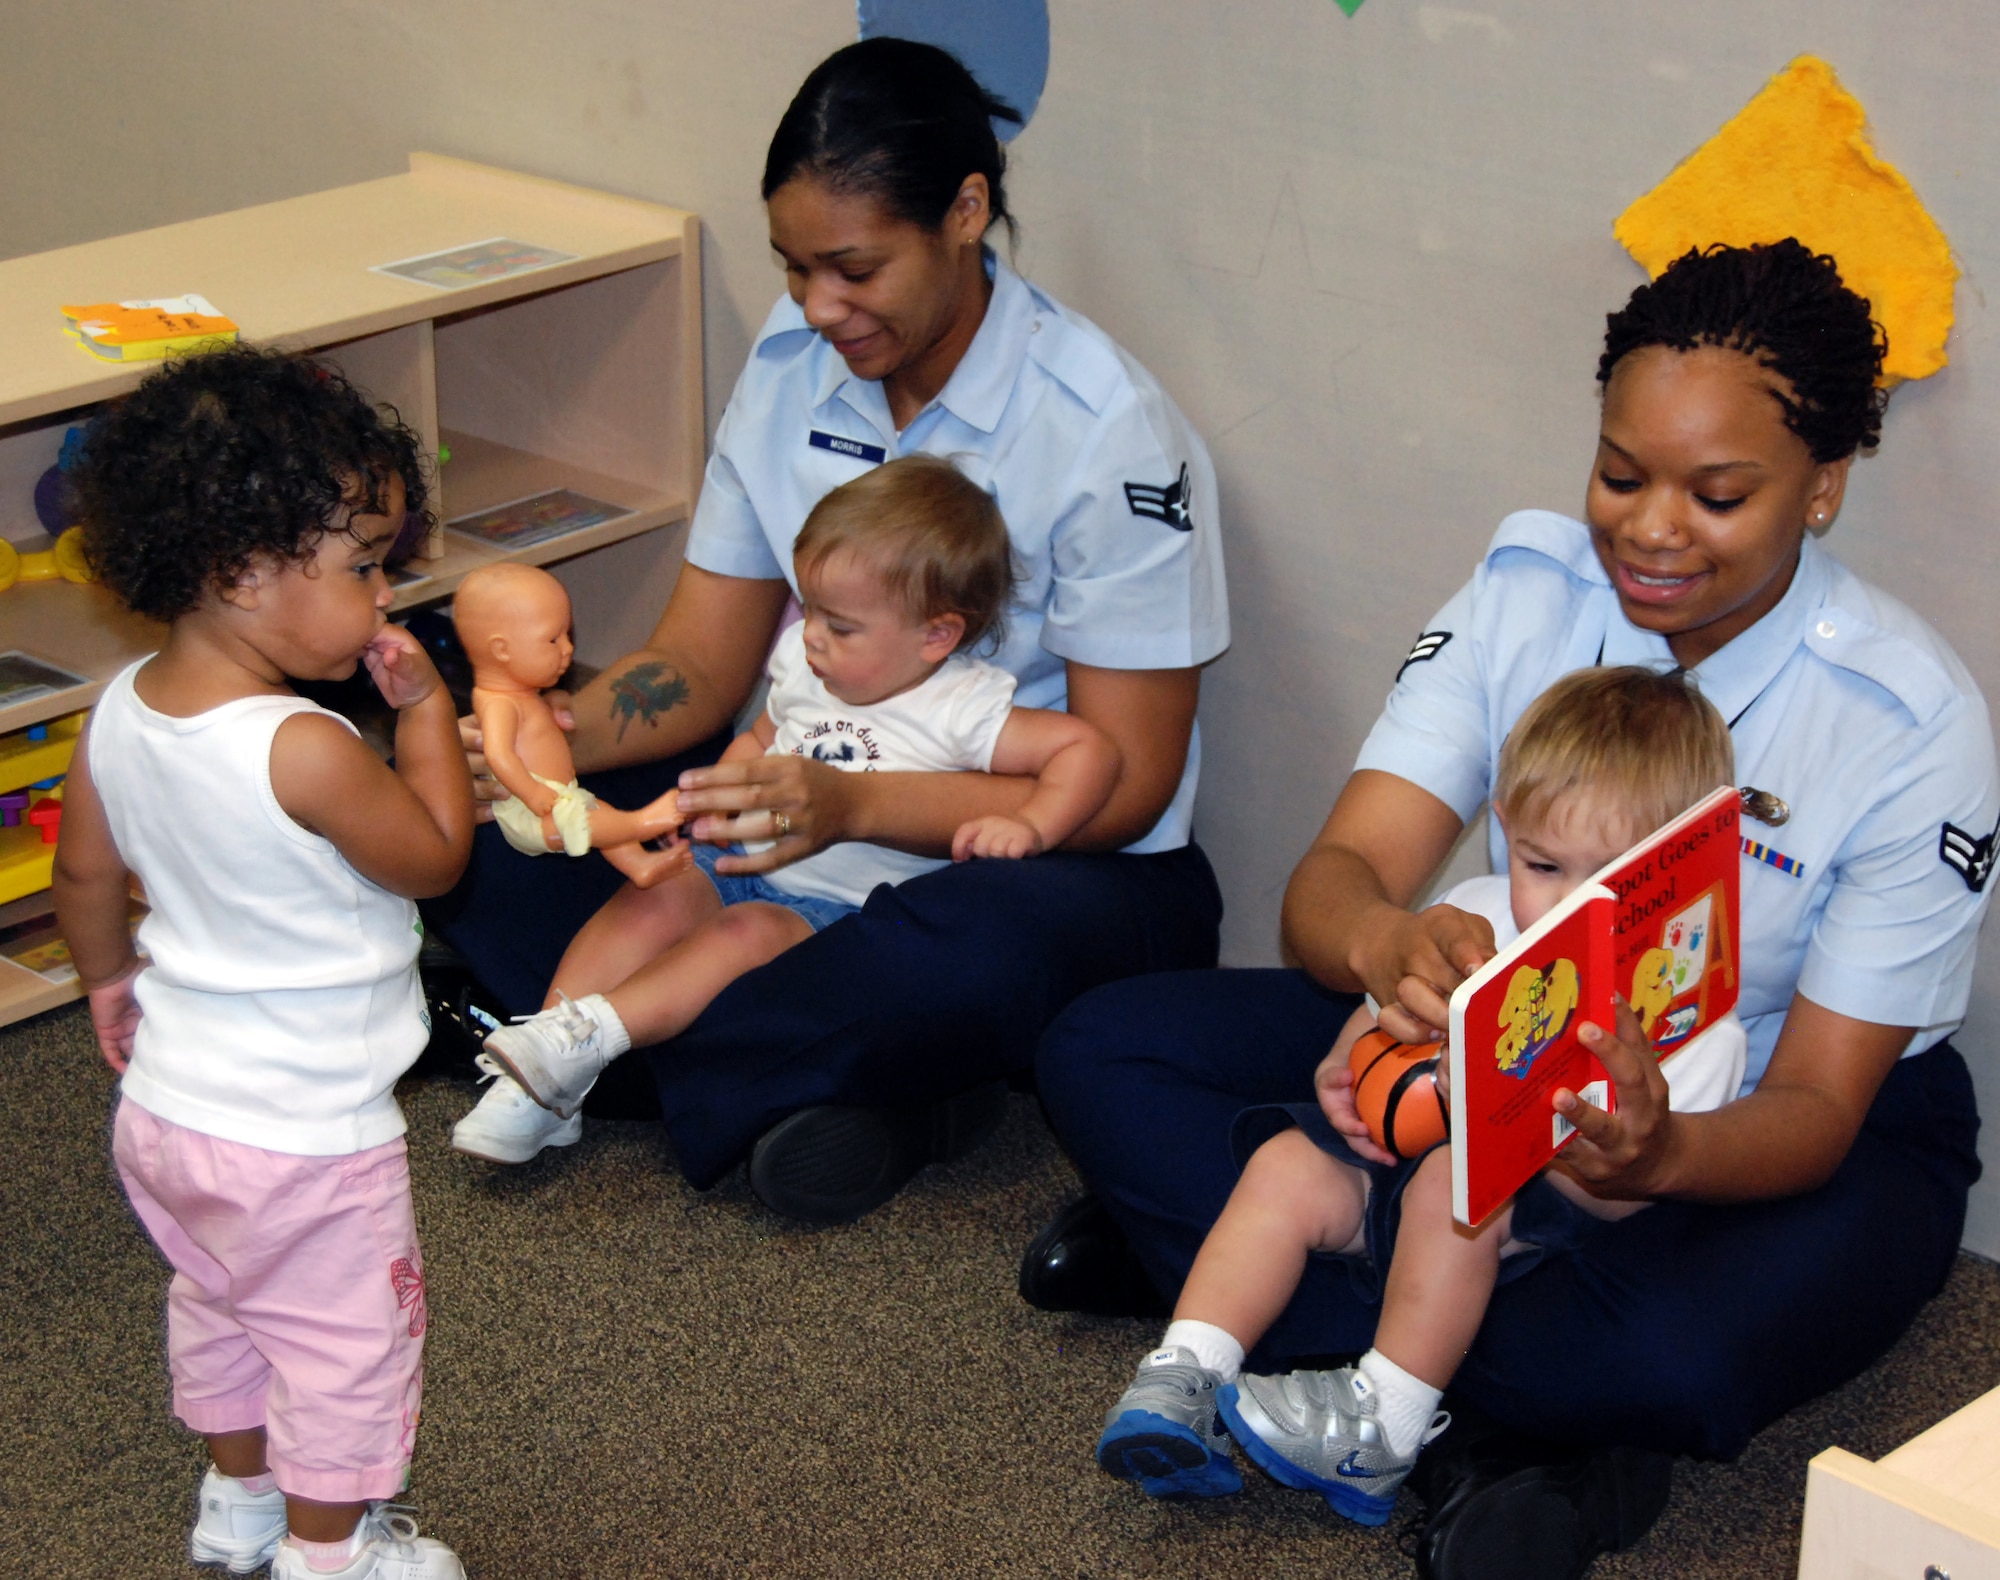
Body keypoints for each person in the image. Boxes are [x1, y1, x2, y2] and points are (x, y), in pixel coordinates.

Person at [1027, 240, 1995, 1579]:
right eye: (1619, 475)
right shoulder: (1528, 592)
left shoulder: (1909, 720)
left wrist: (1656, 1157)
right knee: (1101, 1048)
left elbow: (1824, 1110)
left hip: (1762, 1110)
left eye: (1717, 495)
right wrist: (1385, 950)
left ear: (1823, 489)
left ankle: (1279, 1307)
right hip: (1491, 1048)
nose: (1652, 528)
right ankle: (1445, 1386)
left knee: (1683, 1353)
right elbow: (1337, 880)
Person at [426, 37, 1228, 1221]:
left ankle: (612, 1046)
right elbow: (698, 667)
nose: (816, 306)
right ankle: (790, 1077)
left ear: (965, 212)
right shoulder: (797, 360)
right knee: (505, 837)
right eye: (793, 269)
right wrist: (520, 742)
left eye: (852, 268)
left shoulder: (1106, 429)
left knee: (962, 957)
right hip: (792, 790)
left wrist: (849, 807)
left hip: (1027, 847)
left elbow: (1130, 784)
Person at [1096, 667, 1747, 1524]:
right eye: (1544, 865)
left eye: (1611, 884)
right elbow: (1377, 1023)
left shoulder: (1691, 1016)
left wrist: (1589, 1141)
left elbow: (1637, 1195)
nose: (1563, 907)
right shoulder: (1473, 916)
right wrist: (1351, 1064)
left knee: (1454, 1183)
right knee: (1285, 1164)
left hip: (1539, 1214)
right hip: (1407, 1157)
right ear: (1504, 830)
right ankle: (1187, 1371)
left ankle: (1383, 1426)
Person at [54, 346, 474, 1580]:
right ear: (242, 573)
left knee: (219, 1303)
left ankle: (237, 1504)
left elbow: (85, 883)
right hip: (308, 1138)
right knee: (347, 1346)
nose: (383, 600)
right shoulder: (306, 746)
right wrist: (426, 718)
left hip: (172, 1113)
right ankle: (329, 1555)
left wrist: (105, 980)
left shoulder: (119, 705)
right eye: (362, 569)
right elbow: (437, 858)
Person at [451, 455, 1120, 1172]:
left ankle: (587, 1042)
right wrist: (724, 780)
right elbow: (766, 734)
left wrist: (1035, 825)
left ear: (936, 636)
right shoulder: (807, 668)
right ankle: (544, 1064)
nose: (812, 638)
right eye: (809, 612)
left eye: (841, 625)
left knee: (744, 932)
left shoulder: (962, 704)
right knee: (657, 889)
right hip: (736, 857)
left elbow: (1089, 750)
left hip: (831, 905)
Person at [454, 562, 690, 886]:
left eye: (568, 634)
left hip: (560, 796)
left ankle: (638, 864)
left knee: (600, 813)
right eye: (553, 640)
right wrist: (531, 791)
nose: (568, 649)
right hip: (529, 809)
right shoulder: (500, 704)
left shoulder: (520, 695)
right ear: (501, 649)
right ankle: (643, 822)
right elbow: (498, 755)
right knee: (590, 821)